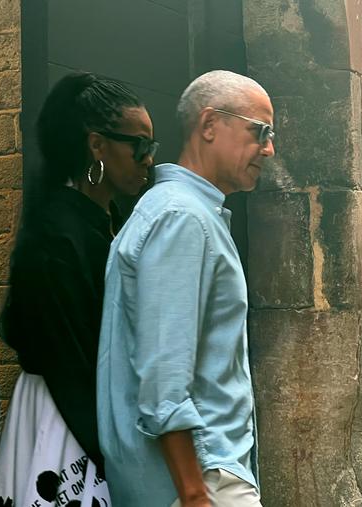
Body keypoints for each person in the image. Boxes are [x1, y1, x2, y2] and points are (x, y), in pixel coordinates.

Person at [97, 70, 276, 507]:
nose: (269, 149)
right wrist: (195, 493)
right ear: (210, 124)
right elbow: (163, 379)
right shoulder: (183, 218)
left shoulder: (185, 212)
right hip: (201, 480)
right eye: (260, 132)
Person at [0, 72, 157, 507]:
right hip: (68, 418)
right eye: (138, 145)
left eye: (150, 146)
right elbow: (68, 359)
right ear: (97, 146)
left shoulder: (101, 221)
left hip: (88, 412)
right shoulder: (58, 235)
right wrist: (112, 452)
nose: (148, 159)